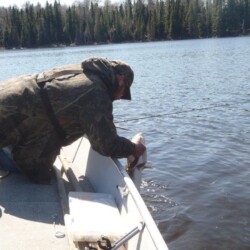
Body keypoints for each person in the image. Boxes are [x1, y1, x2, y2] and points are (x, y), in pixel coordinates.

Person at [0, 57, 146, 184]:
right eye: (124, 92)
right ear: (121, 79)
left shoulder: (83, 72)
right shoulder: (97, 93)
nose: (121, 97)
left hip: (11, 90)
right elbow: (106, 144)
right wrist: (133, 149)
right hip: (11, 113)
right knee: (36, 171)